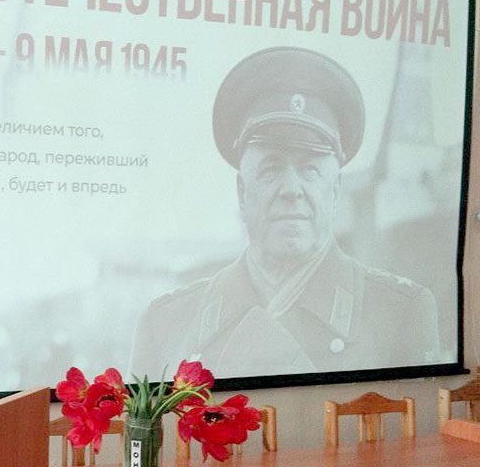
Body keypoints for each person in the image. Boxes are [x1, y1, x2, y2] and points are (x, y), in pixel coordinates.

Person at [131, 47, 440, 378]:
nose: (292, 189)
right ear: (242, 192)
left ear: (336, 190)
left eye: (310, 170)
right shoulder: (166, 323)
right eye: (270, 168)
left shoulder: (400, 313)